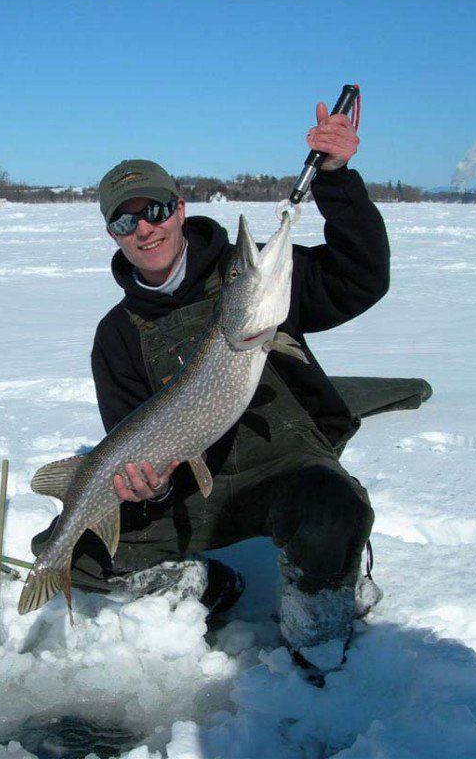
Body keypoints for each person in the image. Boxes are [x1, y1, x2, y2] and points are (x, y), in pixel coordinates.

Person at [31, 102, 431, 667]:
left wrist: (337, 182)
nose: (146, 228)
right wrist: (149, 486)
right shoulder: (117, 335)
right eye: (126, 221)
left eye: (156, 209)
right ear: (112, 234)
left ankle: (320, 620)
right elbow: (128, 435)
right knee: (72, 553)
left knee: (330, 511)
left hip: (285, 470)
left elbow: (361, 276)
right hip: (197, 494)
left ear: (180, 208)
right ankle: (204, 585)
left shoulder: (258, 291)